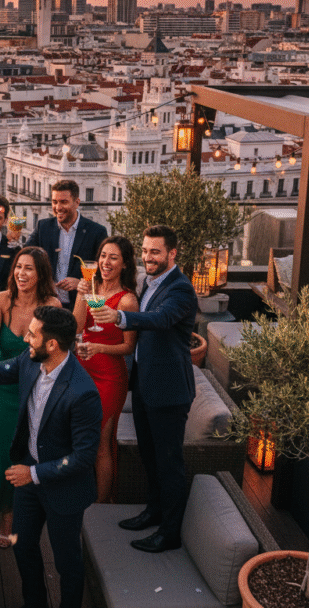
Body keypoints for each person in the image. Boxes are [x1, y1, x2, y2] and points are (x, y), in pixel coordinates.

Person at [0, 305, 102, 608]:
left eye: (32, 335)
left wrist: (33, 474)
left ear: (52, 344)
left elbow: (84, 457)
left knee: (67, 564)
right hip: (28, 478)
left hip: (64, 488)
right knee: (22, 547)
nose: (26, 338)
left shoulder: (82, 392)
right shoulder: (31, 360)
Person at [89, 225, 198, 553]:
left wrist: (120, 317)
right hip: (146, 388)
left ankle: (170, 532)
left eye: (156, 252)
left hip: (169, 392)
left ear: (172, 254)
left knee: (169, 464)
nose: (149, 257)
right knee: (150, 459)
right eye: (146, 251)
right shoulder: (149, 283)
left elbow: (161, 320)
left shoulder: (180, 289)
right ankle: (153, 511)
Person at [0, 246, 61, 547]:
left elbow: (58, 350)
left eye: (29, 269)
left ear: (41, 275)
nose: (22, 274)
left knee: (28, 451)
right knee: (0, 452)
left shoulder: (51, 304)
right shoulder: (1, 300)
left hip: (36, 390)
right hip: (3, 389)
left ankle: (24, 511)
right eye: (18, 267)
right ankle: (5, 514)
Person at [73, 236, 138, 503]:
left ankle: (100, 504)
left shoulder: (127, 301)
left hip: (110, 377)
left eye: (113, 257)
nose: (105, 262)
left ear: (124, 264)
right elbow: (77, 328)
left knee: (101, 441)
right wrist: (81, 295)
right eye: (103, 256)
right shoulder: (92, 288)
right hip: (81, 373)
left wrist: (99, 348)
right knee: (78, 436)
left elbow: (128, 347)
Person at [25, 179, 108, 310]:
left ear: (77, 203)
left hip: (80, 305)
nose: (58, 208)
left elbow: (105, 269)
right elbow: (25, 255)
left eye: (63, 202)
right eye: (54, 202)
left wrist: (81, 282)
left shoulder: (97, 231)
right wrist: (44, 281)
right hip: (48, 303)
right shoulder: (43, 226)